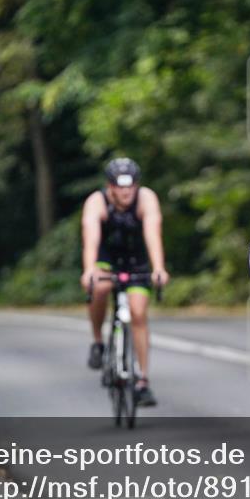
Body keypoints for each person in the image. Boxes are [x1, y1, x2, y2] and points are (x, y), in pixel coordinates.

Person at [80, 157, 169, 406]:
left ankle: (142, 381)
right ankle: (98, 342)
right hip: (106, 258)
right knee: (100, 286)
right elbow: (91, 239)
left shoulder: (146, 198)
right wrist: (89, 269)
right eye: (120, 186)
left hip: (136, 259)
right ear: (110, 187)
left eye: (131, 185)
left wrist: (159, 267)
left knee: (138, 313)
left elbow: (153, 232)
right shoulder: (96, 202)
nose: (126, 191)